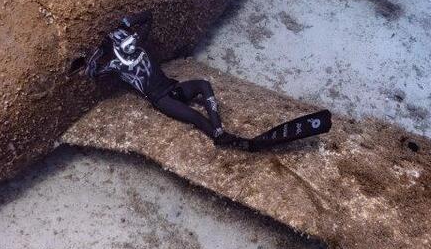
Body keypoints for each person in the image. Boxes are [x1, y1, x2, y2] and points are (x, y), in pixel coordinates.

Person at [84, 12, 331, 151]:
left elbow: (149, 18)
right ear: (117, 46)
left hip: (172, 86)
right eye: (124, 40)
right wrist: (94, 56)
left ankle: (219, 129)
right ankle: (219, 136)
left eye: (129, 38)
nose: (130, 42)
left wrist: (132, 19)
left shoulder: (137, 45)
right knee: (194, 117)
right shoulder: (115, 65)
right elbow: (93, 73)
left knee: (203, 84)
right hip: (161, 99)